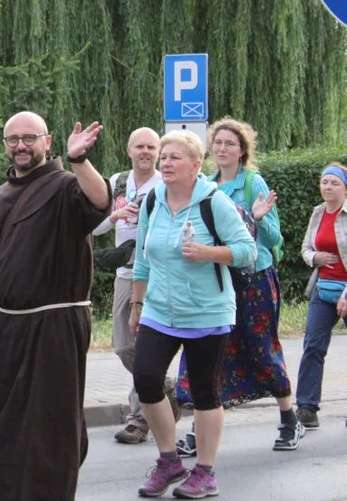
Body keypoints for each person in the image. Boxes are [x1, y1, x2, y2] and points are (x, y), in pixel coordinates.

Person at [0, 112, 111, 501]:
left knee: (48, 428)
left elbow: (99, 201)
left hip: (56, 325)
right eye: (13, 139)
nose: (21, 145)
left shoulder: (67, 186)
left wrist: (80, 160)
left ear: (47, 142)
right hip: (7, 326)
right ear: (5, 145)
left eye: (29, 138)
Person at [128, 130, 257, 499]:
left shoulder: (213, 202)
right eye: (163, 157)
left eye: (174, 158)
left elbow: (247, 250)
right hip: (158, 310)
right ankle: (169, 461)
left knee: (203, 391)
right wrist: (136, 306)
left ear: (196, 165)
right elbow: (142, 259)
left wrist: (207, 253)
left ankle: (205, 472)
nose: (165, 163)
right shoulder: (153, 200)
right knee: (147, 379)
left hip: (206, 311)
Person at [174, 117, 301, 454]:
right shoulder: (206, 186)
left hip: (255, 279)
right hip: (219, 279)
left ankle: (290, 418)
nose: (222, 149)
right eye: (218, 143)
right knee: (207, 351)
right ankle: (197, 430)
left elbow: (274, 237)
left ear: (242, 150)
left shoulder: (252, 183)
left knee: (262, 348)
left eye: (230, 144)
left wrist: (255, 217)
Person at [93, 127, 180, 444]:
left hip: (159, 274)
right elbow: (94, 224)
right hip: (126, 275)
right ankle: (167, 385)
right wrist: (115, 216)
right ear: (129, 150)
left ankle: (138, 420)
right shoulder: (116, 182)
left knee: (145, 344)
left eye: (151, 147)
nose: (146, 152)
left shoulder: (168, 183)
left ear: (158, 152)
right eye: (140, 147)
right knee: (124, 346)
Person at [296, 162, 347, 428]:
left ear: (345, 188)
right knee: (313, 348)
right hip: (323, 289)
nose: (328, 187)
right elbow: (306, 248)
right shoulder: (318, 213)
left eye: (334, 183)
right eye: (324, 182)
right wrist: (314, 256)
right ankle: (306, 408)